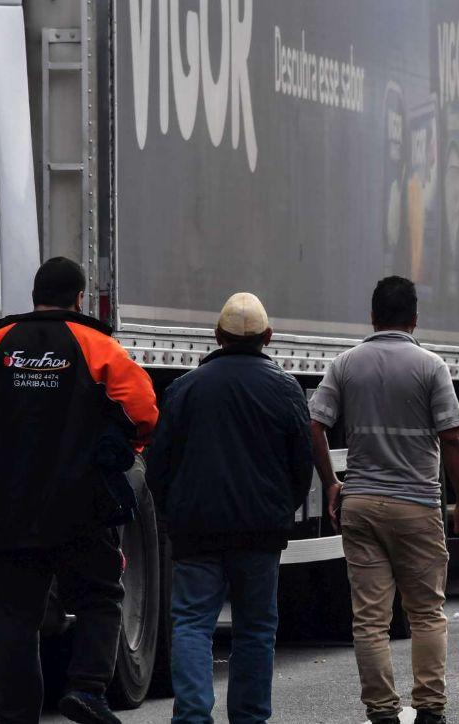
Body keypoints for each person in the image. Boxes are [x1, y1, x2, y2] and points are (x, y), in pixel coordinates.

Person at [0, 257, 158, 724]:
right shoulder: (97, 347)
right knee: (99, 596)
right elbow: (144, 412)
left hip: (6, 508)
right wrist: (118, 448)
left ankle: (18, 715)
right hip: (80, 507)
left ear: (35, 296)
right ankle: (87, 690)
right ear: (78, 298)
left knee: (16, 617)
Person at [309, 276, 459, 724]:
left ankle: (382, 712)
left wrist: (331, 481)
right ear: (414, 318)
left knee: (369, 620)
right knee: (425, 612)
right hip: (416, 505)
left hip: (360, 503)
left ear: (372, 316)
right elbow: (454, 439)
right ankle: (429, 710)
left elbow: (315, 424)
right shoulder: (430, 366)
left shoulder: (346, 364)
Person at [146, 292, 313, 724]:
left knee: (191, 624)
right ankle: (249, 717)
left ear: (217, 336)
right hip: (260, 533)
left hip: (195, 530)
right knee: (256, 629)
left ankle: (193, 715)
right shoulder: (287, 390)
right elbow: (301, 466)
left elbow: (158, 463)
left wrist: (172, 515)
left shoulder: (184, 389)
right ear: (268, 337)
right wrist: (280, 511)